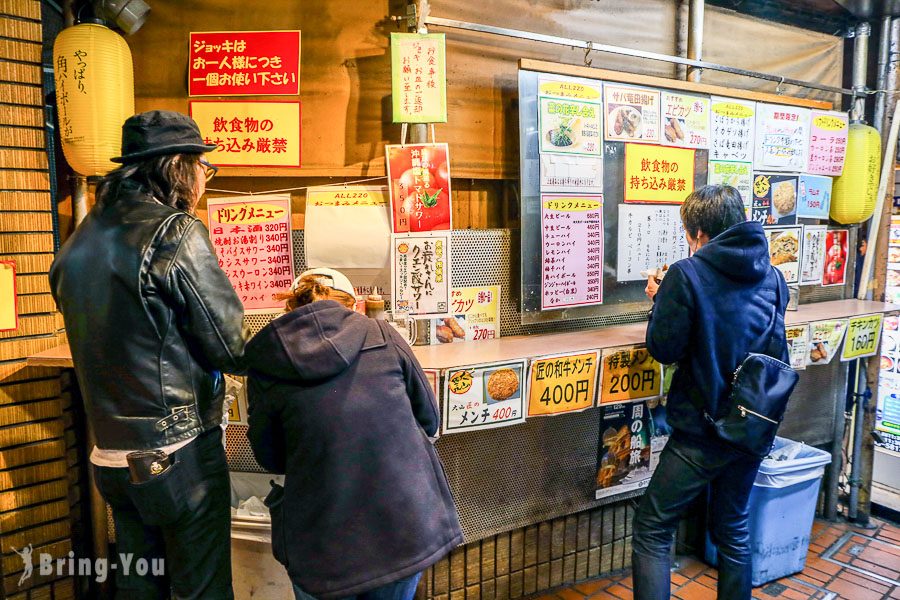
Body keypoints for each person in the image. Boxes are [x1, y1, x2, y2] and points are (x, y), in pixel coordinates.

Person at [50, 110, 247, 599]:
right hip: (176, 455)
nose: (206, 177)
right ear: (179, 166)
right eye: (204, 166)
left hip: (111, 458)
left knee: (140, 588)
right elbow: (231, 347)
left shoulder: (77, 243)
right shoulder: (175, 232)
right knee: (202, 590)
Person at [246, 268, 463, 600]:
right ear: (352, 306)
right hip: (401, 529)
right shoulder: (383, 334)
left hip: (322, 546)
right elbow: (430, 419)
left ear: (289, 311)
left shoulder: (267, 363)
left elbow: (270, 457)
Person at [635, 185, 788, 600]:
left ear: (700, 233)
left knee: (652, 527)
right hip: (752, 428)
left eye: (688, 233)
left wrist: (660, 299)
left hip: (703, 433)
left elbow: (664, 349)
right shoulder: (773, 276)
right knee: (733, 528)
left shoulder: (688, 274)